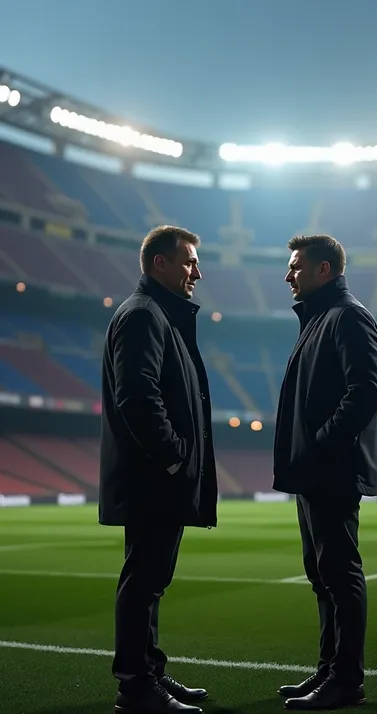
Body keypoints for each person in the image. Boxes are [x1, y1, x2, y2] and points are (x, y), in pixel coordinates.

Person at [99, 225, 218, 714]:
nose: (197, 272)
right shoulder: (144, 316)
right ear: (158, 263)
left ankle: (150, 674)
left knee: (150, 581)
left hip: (155, 478)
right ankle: (136, 686)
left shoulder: (157, 316)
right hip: (152, 478)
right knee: (143, 581)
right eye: (189, 261)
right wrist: (174, 458)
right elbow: (138, 397)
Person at [273, 234, 377, 711]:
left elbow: (367, 390)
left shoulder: (347, 316)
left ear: (325, 270)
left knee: (340, 575)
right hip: (315, 472)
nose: (288, 274)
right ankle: (329, 670)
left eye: (296, 266)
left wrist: (321, 446)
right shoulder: (321, 318)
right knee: (322, 575)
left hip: (331, 471)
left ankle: (346, 681)